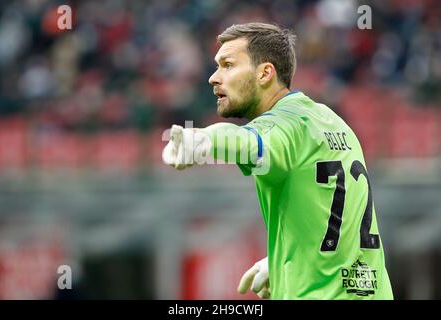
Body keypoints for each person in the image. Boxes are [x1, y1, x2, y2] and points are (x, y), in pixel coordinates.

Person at [162, 22, 393, 300]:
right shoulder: (333, 122)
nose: (214, 77)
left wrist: (205, 141)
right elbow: (333, 216)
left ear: (265, 73)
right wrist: (289, 261)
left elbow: (249, 143)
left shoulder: (282, 126)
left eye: (228, 65)